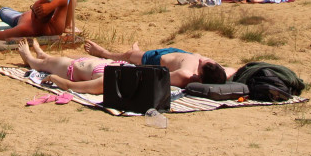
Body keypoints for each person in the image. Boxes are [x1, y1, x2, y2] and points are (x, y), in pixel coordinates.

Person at [85, 40, 235, 88]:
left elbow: (155, 77)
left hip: (159, 58)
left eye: (201, 64)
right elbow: (234, 70)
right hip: (180, 53)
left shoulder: (185, 75)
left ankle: (104, 53)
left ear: (200, 76)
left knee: (130, 56)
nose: (201, 60)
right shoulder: (222, 73)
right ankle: (136, 51)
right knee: (135, 54)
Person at [16, 38, 130, 94]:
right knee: (52, 59)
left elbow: (71, 86)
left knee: (45, 64)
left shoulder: (106, 82)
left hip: (69, 69)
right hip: (91, 62)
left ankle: (30, 60)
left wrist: (52, 78)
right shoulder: (132, 69)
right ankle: (43, 55)